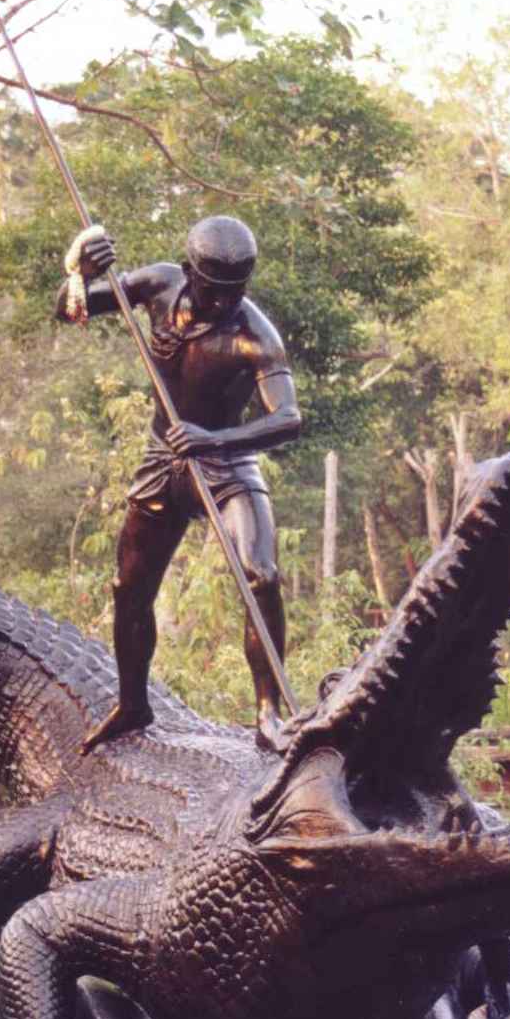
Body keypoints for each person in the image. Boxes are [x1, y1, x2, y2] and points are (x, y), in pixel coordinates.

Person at [56, 215, 302, 752]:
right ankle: (132, 704)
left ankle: (268, 715)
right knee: (129, 588)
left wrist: (213, 440)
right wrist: (82, 272)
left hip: (226, 462)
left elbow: (288, 419)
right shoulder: (158, 284)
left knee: (260, 573)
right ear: (191, 272)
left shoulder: (255, 336)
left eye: (235, 292)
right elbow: (70, 310)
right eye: (214, 291)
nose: (224, 303)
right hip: (161, 457)